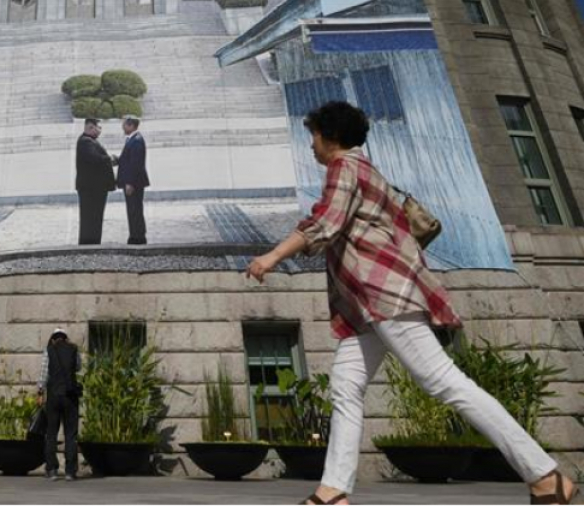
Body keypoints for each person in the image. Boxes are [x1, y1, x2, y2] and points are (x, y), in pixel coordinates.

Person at [245, 101, 578, 506]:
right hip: (367, 307)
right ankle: (333, 492)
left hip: (386, 296)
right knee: (345, 388)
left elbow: (324, 224)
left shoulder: (345, 168)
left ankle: (544, 474)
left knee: (444, 381)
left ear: (330, 136)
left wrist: (271, 257)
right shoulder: (367, 169)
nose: (311, 145)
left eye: (313, 136)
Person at [36, 328, 82, 481]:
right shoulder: (74, 349)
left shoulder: (49, 350)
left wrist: (40, 392)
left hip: (54, 396)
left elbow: (43, 374)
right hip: (70, 397)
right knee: (71, 435)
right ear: (65, 338)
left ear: (53, 339)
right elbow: (78, 367)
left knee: (51, 435)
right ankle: (70, 471)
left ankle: (52, 470)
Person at [75, 118, 116, 245]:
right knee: (91, 217)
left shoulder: (89, 141)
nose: (100, 130)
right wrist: (111, 159)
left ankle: (92, 241)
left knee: (95, 217)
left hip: (94, 188)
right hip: (91, 189)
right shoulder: (86, 142)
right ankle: (89, 243)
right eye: (99, 127)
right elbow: (95, 159)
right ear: (90, 127)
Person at [114, 115, 150, 245]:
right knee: (133, 209)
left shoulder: (136, 141)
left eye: (124, 124)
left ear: (131, 126)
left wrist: (130, 183)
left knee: (135, 209)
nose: (122, 127)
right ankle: (135, 234)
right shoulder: (132, 139)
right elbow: (128, 159)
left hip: (133, 183)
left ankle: (138, 237)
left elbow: (135, 164)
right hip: (132, 182)